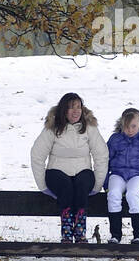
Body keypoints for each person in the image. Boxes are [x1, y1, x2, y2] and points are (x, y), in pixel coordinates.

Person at [30, 93, 109, 244]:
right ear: (63, 110)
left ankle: (80, 231)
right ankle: (66, 231)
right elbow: (37, 155)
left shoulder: (89, 127)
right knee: (66, 187)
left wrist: (97, 185)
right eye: (71, 107)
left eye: (78, 107)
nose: (75, 111)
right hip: (57, 172)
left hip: (82, 171)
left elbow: (101, 155)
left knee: (82, 184)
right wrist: (43, 186)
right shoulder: (52, 128)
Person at [104, 106, 139, 245]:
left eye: (133, 126)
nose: (130, 130)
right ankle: (115, 235)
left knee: (132, 195)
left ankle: (138, 235)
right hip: (117, 174)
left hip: (137, 175)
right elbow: (104, 161)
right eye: (126, 126)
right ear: (121, 124)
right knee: (113, 194)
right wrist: (105, 183)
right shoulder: (115, 139)